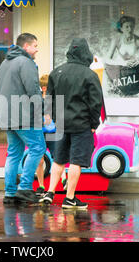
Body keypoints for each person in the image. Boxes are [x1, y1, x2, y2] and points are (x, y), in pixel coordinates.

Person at [40, 38, 103, 209]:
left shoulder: (56, 72)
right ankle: (69, 198)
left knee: (58, 160)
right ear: (85, 53)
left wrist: (54, 118)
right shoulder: (90, 75)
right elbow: (96, 103)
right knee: (75, 161)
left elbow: (49, 100)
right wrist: (93, 123)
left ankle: (50, 192)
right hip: (81, 124)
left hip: (61, 123)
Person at [0, 33, 46, 204]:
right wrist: (42, 110)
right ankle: (25, 187)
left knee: (13, 154)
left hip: (7, 115)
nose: (37, 49)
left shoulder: (5, 63)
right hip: (24, 116)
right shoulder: (26, 63)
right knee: (38, 147)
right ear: (26, 47)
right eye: (35, 46)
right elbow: (33, 90)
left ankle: (9, 193)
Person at [35, 74, 66, 197]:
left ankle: (64, 179)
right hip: (41, 133)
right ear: (43, 88)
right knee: (40, 160)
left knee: (57, 158)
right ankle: (41, 186)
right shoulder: (37, 100)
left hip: (52, 132)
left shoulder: (54, 100)